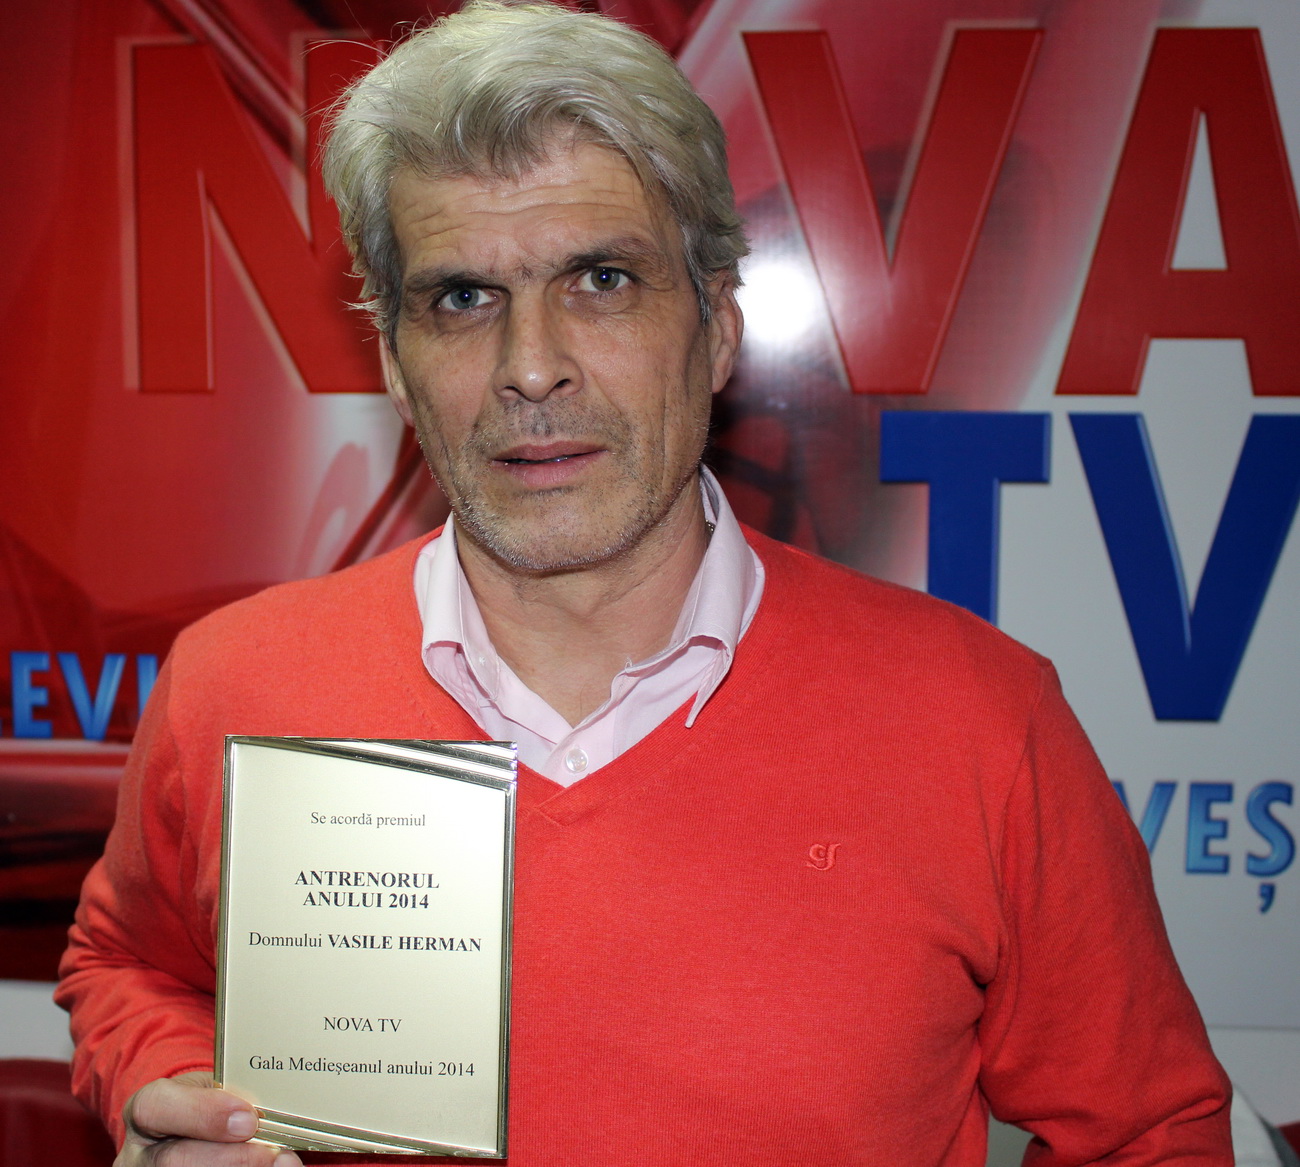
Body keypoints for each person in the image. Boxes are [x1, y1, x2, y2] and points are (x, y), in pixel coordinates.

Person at [56, 2, 1232, 1164]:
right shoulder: (235, 683)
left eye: (603, 280)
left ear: (716, 329)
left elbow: (1150, 1134)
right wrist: (169, 1092)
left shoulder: (979, 722)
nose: (530, 368)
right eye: (462, 299)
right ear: (398, 367)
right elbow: (128, 965)